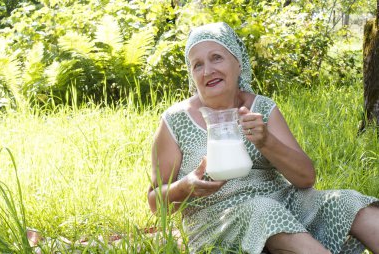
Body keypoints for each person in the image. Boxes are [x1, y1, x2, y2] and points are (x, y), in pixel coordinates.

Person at [147, 22, 379, 254]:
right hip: (217, 221)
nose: (207, 71)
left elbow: (306, 178)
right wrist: (185, 187)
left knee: (347, 203)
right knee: (264, 210)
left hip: (283, 202)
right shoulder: (175, 121)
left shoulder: (262, 108)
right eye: (197, 65)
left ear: (238, 63)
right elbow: (155, 202)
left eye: (216, 57)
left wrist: (267, 141)